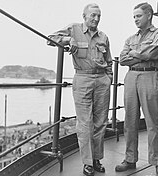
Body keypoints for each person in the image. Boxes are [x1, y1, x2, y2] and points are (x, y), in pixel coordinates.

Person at [47, 3, 113, 176]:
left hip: (102, 80)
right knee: (85, 123)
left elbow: (109, 61)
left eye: (99, 16)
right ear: (84, 16)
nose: (96, 19)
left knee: (100, 122)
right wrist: (69, 40)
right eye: (93, 15)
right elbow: (50, 39)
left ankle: (97, 159)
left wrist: (108, 79)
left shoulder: (103, 37)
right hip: (82, 78)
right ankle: (87, 162)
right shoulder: (73, 29)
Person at [115, 2, 158, 176]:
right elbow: (123, 59)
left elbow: (152, 54)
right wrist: (140, 55)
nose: (135, 20)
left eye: (138, 16)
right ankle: (130, 159)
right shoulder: (130, 39)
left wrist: (135, 53)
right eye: (134, 17)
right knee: (130, 121)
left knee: (153, 123)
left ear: (149, 15)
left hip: (150, 76)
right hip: (131, 77)